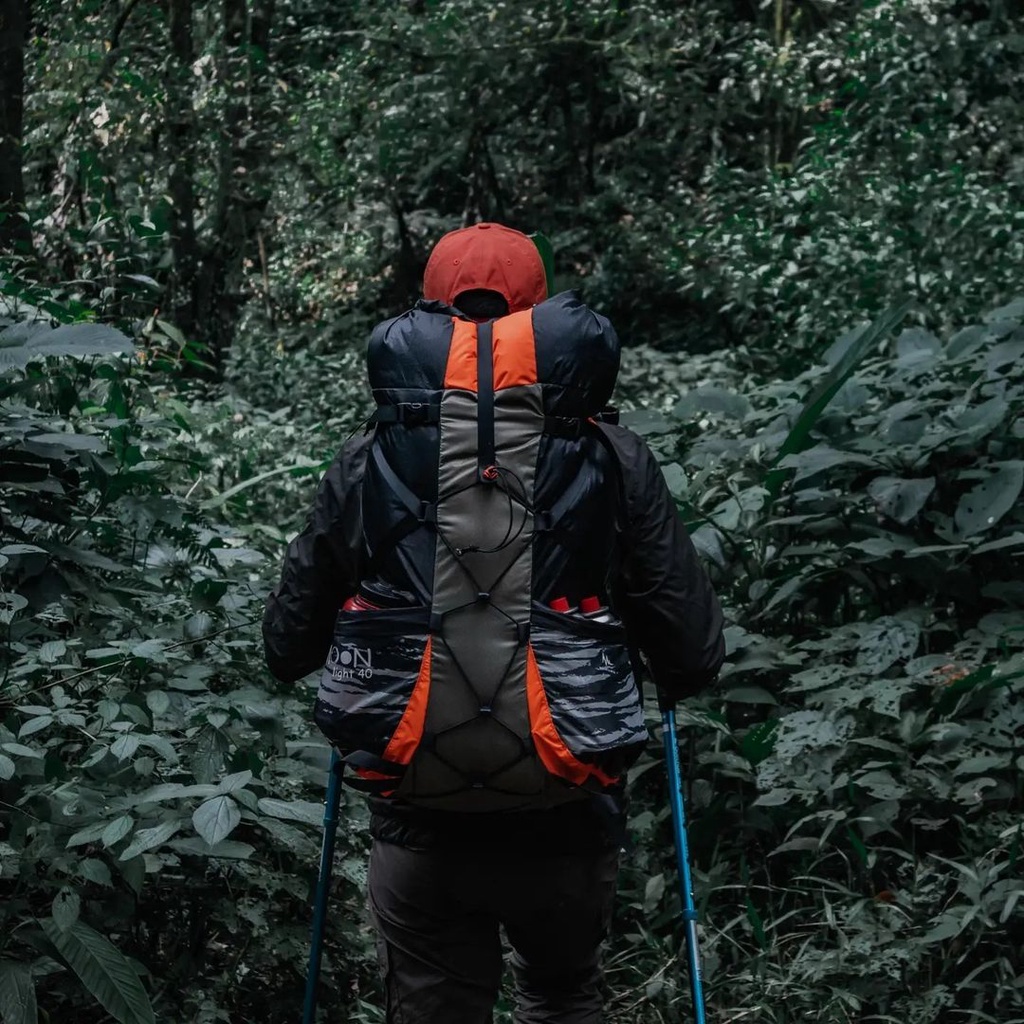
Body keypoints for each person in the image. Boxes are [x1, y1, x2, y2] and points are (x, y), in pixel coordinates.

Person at [263, 222, 725, 1024]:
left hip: (418, 815)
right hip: (567, 809)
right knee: (562, 996)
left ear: (430, 313)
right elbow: (692, 651)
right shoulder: (613, 455)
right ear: (539, 314)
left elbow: (286, 646)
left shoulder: (366, 457)